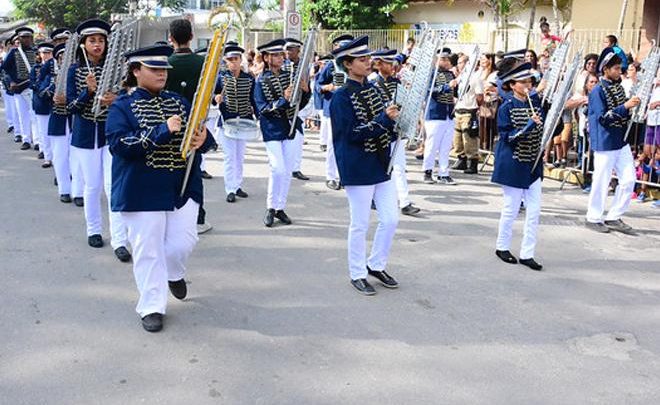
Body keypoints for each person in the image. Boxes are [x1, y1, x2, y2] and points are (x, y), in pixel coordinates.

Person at [106, 44, 212, 333]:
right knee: (148, 249)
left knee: (183, 242)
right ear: (136, 71)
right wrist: (162, 130)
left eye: (164, 69)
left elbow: (201, 132)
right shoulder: (122, 106)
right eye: (154, 69)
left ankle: (175, 273)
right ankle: (151, 305)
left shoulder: (178, 101)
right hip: (141, 188)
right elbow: (119, 144)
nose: (162, 74)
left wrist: (202, 138)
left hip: (181, 184)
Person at [330, 36, 400, 295]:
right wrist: (384, 119)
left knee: (391, 219)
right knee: (359, 224)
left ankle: (376, 264)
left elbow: (385, 124)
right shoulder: (340, 97)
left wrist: (396, 125)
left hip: (381, 163)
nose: (368, 62)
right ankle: (357, 272)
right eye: (362, 60)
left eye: (368, 58)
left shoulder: (374, 90)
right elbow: (352, 134)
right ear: (348, 65)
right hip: (357, 166)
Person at [66, 18, 131, 262]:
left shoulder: (115, 69)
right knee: (92, 186)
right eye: (92, 40)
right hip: (84, 135)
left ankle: (119, 240)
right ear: (83, 43)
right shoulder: (74, 70)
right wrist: (88, 92)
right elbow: (70, 107)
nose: (97, 45)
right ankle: (93, 229)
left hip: (110, 134)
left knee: (112, 185)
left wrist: (115, 98)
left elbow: (128, 98)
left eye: (101, 40)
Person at [492, 60, 546, 271]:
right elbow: (508, 137)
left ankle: (527, 253)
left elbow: (549, 130)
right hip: (513, 163)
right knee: (511, 209)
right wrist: (530, 125)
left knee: (534, 211)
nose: (527, 85)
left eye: (529, 81)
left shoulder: (536, 104)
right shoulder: (506, 107)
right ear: (512, 84)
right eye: (522, 82)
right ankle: (502, 246)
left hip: (533, 164)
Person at [165, 18, 215, 235]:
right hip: (196, 123)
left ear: (171, 39)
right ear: (192, 37)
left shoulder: (165, 62)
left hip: (169, 122)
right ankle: (198, 216)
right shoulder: (203, 63)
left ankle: (172, 210)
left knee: (168, 166)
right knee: (194, 167)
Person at [254, 38, 310, 227]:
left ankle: (280, 208)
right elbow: (262, 108)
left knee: (286, 171)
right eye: (276, 55)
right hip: (272, 129)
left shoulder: (290, 75)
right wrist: (284, 100)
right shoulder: (260, 80)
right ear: (267, 58)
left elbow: (299, 104)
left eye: (281, 54)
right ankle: (270, 206)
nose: (280, 57)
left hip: (292, 127)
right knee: (277, 168)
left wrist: (305, 91)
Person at [585, 47, 640, 234]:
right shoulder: (597, 91)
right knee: (601, 180)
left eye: (619, 68)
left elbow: (623, 112)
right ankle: (593, 217)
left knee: (629, 179)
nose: (619, 71)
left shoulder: (617, 87)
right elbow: (604, 118)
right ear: (605, 69)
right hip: (605, 141)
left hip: (620, 140)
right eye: (615, 68)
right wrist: (625, 107)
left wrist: (632, 107)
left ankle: (614, 216)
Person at [370, 48, 420, 216]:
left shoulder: (396, 83)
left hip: (394, 131)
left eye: (394, 62)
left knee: (399, 167)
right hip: (378, 131)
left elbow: (404, 104)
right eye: (388, 62)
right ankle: (373, 197)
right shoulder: (372, 83)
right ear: (379, 64)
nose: (393, 66)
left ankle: (404, 202)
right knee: (378, 166)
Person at [214, 44, 255, 203]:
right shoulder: (221, 77)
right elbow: (213, 95)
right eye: (230, 59)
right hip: (227, 121)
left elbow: (253, 100)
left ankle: (237, 185)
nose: (233, 62)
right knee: (230, 157)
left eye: (235, 59)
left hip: (243, 121)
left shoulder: (249, 78)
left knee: (239, 156)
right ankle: (230, 188)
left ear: (240, 60)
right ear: (226, 61)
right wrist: (216, 98)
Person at [316, 34, 354, 190]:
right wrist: (329, 87)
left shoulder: (354, 66)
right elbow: (318, 85)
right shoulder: (331, 66)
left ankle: (344, 175)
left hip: (351, 109)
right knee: (333, 144)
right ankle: (331, 176)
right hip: (333, 108)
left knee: (348, 144)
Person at [423, 47, 458, 185]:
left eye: (446, 59)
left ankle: (444, 173)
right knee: (432, 145)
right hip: (435, 113)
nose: (446, 61)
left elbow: (455, 92)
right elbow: (429, 91)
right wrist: (446, 87)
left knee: (445, 147)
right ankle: (427, 171)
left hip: (449, 114)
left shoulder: (450, 74)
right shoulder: (431, 74)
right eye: (443, 59)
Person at [2, 27, 36, 150]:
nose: (26, 39)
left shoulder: (36, 52)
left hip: (33, 88)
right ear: (19, 39)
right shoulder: (13, 52)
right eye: (23, 37)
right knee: (22, 116)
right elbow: (4, 69)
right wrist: (11, 82)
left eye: (28, 37)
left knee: (34, 116)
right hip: (19, 90)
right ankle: (25, 139)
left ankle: (37, 141)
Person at [452, 52, 484, 175]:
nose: (459, 65)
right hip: (459, 109)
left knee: (469, 138)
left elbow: (479, 96)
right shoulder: (461, 77)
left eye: (461, 63)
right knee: (458, 138)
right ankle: (461, 159)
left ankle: (473, 161)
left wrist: (474, 108)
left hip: (469, 110)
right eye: (459, 63)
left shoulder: (475, 77)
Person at [284, 37, 311, 181]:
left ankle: (296, 168)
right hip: (283, 107)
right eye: (287, 49)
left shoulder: (303, 67)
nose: (288, 52)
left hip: (298, 107)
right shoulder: (283, 65)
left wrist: (306, 89)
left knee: (298, 140)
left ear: (298, 51)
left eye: (291, 49)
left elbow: (308, 88)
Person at [30, 42, 54, 168]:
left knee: (56, 133)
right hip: (41, 103)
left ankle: (55, 156)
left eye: (48, 53)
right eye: (43, 53)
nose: (46, 55)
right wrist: (43, 90)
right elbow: (32, 84)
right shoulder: (36, 68)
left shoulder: (56, 67)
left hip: (54, 104)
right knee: (44, 131)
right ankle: (47, 157)